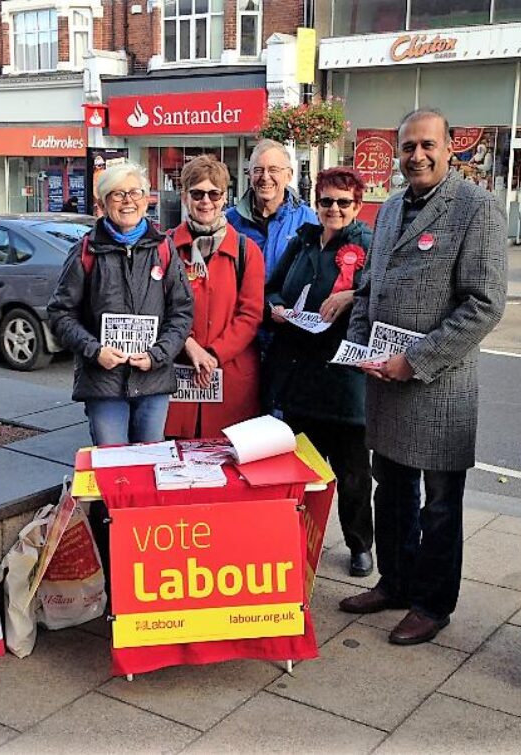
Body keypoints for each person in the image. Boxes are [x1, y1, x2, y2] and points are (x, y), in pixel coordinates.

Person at [339, 108, 507, 645]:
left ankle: (433, 605)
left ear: (450, 147)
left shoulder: (477, 209)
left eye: (427, 145)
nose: (417, 156)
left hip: (439, 392)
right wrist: (361, 344)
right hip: (384, 384)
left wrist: (414, 361)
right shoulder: (388, 209)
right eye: (408, 146)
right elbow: (370, 286)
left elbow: (484, 306)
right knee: (390, 493)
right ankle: (395, 582)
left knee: (438, 505)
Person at [266, 167, 374, 577]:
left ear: (357, 205)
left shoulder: (368, 244)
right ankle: (293, 540)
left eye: (343, 202)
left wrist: (352, 294)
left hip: (345, 382)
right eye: (326, 201)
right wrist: (275, 308)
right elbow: (271, 288)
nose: (334, 209)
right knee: (300, 472)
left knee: (352, 475)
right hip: (300, 376)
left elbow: (383, 293)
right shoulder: (303, 241)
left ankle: (360, 545)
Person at [48, 162, 193, 446]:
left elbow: (182, 312)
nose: (128, 201)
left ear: (146, 199)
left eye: (135, 193)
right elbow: (59, 314)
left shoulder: (164, 249)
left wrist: (158, 355)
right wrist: (95, 351)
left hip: (153, 380)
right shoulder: (84, 252)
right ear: (102, 203)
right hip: (103, 384)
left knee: (150, 466)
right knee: (113, 466)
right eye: (117, 194)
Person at [164, 155, 264, 439]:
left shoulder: (246, 251)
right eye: (197, 193)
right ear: (185, 197)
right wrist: (189, 344)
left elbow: (250, 314)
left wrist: (214, 354)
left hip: (230, 377)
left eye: (213, 193)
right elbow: (158, 307)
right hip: (178, 372)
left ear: (224, 198)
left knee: (226, 469)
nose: (205, 201)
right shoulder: (166, 247)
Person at [226, 139, 318, 281]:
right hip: (243, 302)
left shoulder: (306, 218)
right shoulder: (231, 220)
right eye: (258, 170)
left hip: (286, 302)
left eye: (273, 170)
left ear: (288, 175)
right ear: (250, 175)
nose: (265, 177)